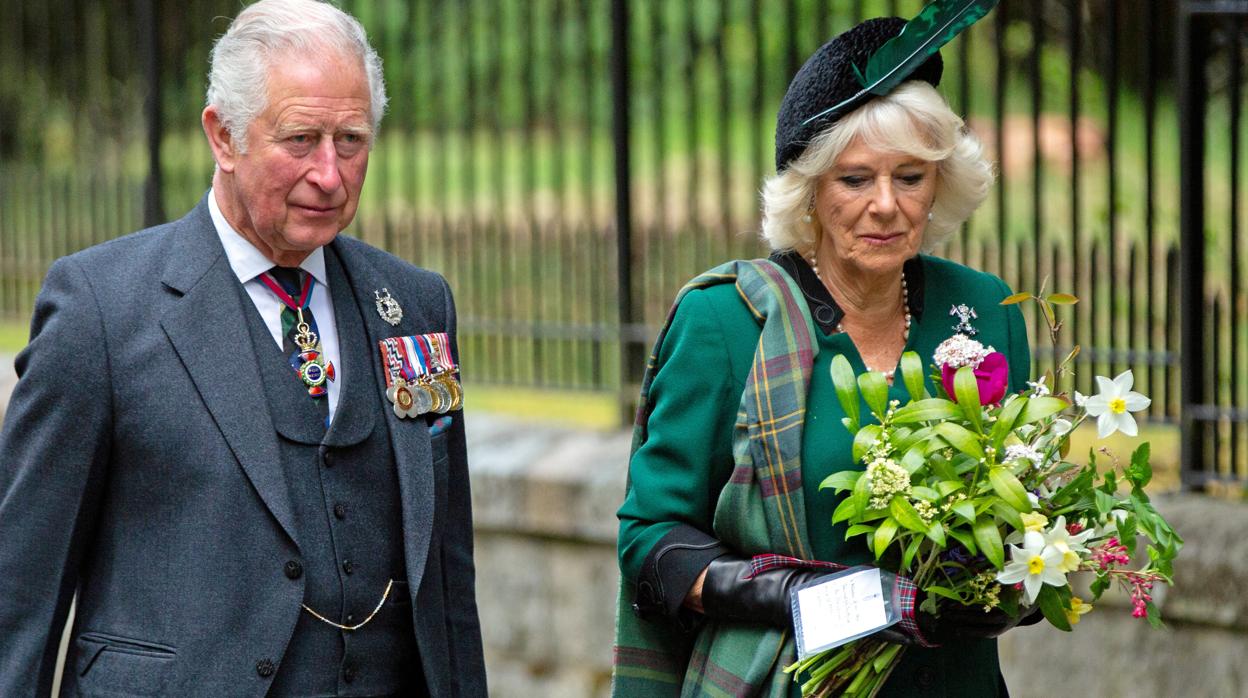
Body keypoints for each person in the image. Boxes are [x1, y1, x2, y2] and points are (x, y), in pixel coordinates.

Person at [0, 1, 485, 695]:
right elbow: (21, 584)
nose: (330, 173)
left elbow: (446, 575)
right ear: (223, 137)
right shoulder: (100, 310)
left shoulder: (414, 305)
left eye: (350, 141)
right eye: (300, 140)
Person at [613, 14, 1036, 698]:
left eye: (910, 177)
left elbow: (1027, 497)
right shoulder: (726, 322)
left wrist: (1015, 582)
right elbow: (650, 539)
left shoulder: (985, 309)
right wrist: (797, 597)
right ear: (810, 189)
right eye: (854, 179)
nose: (886, 206)